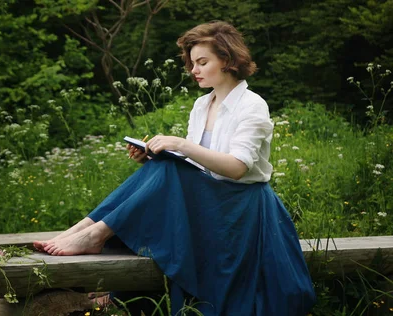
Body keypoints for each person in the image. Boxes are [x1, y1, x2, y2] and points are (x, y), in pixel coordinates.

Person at [34, 20, 316, 316]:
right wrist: (152, 157)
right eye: (192, 63)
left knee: (169, 169)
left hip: (241, 208)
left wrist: (180, 145)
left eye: (202, 62)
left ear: (228, 60)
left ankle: (93, 235)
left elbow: (236, 169)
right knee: (160, 168)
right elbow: (195, 165)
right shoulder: (202, 105)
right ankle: (83, 230)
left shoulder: (252, 106)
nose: (194, 70)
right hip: (212, 200)